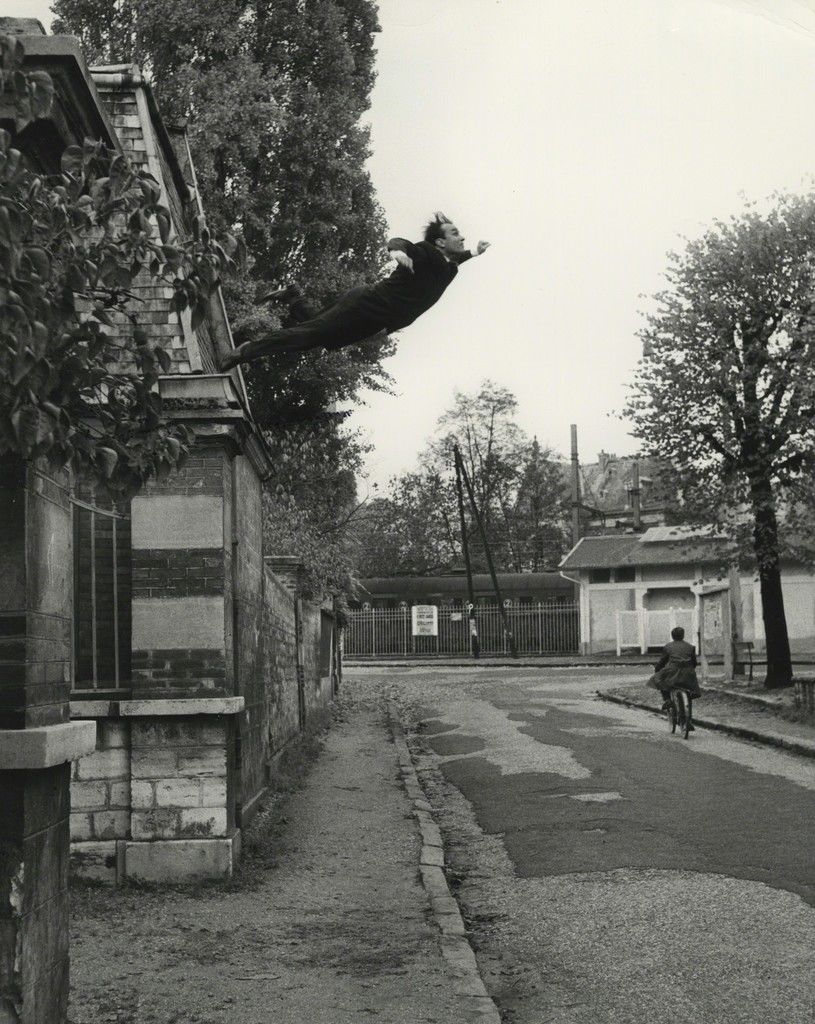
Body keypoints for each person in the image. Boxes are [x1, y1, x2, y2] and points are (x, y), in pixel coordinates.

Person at [219, 213, 490, 370]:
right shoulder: (427, 253)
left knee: (319, 335)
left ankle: (292, 296)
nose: (462, 237)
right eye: (455, 233)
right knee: (311, 335)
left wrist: (475, 253)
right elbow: (402, 242)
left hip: (376, 321)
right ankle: (244, 351)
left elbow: (456, 260)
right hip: (366, 304)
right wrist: (397, 252)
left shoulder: (449, 268)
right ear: (440, 242)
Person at [647, 625, 702, 729]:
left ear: (672, 636)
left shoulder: (668, 647)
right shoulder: (691, 647)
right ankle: (688, 720)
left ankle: (667, 699)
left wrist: (657, 670)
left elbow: (662, 662)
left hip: (673, 673)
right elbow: (694, 663)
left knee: (658, 679)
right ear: (683, 635)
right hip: (688, 674)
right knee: (688, 694)